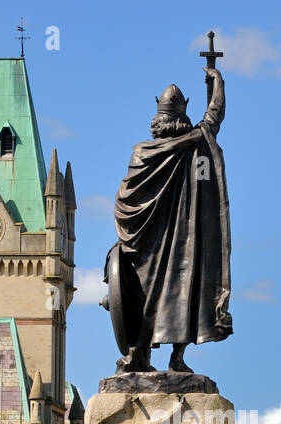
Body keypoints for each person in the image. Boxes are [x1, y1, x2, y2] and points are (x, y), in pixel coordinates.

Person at [104, 64, 232, 373]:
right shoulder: (196, 141)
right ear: (183, 117)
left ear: (157, 121)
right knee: (183, 293)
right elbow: (213, 118)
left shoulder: (142, 153)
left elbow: (125, 198)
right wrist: (218, 84)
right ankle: (175, 357)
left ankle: (139, 354)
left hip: (147, 245)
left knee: (145, 296)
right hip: (182, 243)